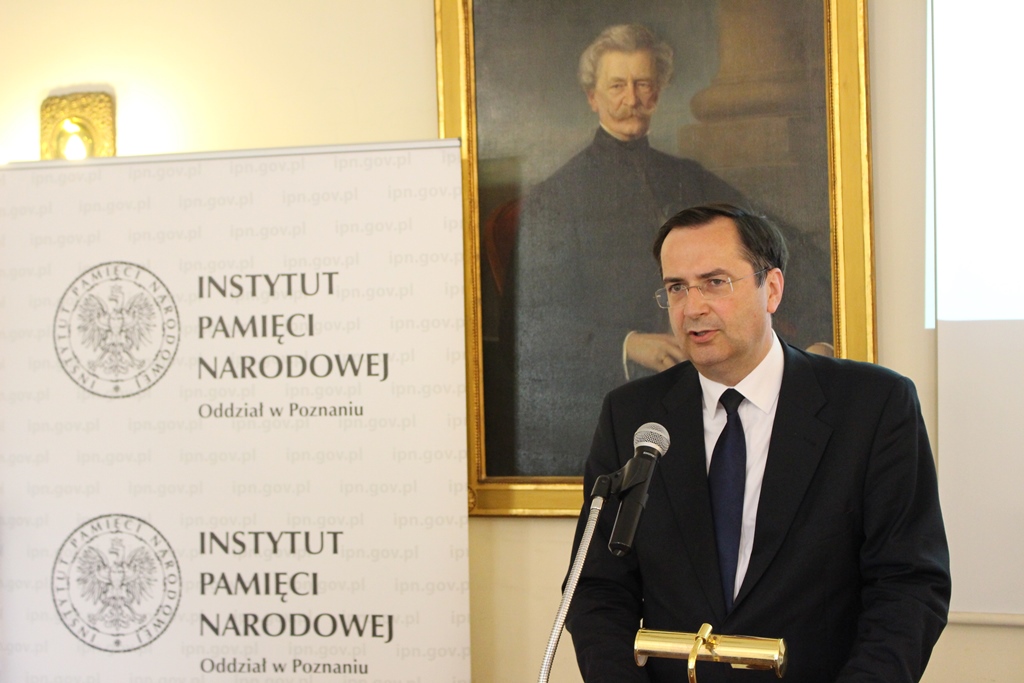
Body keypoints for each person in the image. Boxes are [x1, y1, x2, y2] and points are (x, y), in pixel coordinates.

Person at [564, 204, 950, 682]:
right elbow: (597, 589)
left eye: (714, 282)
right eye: (676, 287)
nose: (692, 308)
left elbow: (908, 586)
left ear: (772, 289)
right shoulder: (631, 416)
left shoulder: (874, 405)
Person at [496, 24, 753, 475]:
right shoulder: (556, 198)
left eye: (643, 84)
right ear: (592, 97)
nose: (631, 99)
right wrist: (628, 344)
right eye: (617, 86)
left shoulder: (690, 178)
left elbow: (767, 246)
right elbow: (532, 325)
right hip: (604, 398)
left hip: (707, 388)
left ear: (659, 91)